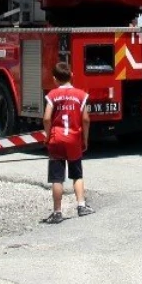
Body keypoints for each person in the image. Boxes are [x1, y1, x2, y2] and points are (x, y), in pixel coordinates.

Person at [41, 62, 94, 223]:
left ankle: (57, 212)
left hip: (56, 139)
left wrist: (47, 135)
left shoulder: (52, 95)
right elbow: (85, 119)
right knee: (77, 174)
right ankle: (81, 205)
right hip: (73, 139)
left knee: (57, 178)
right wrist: (84, 139)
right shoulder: (80, 95)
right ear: (72, 75)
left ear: (55, 79)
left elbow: (47, 118)